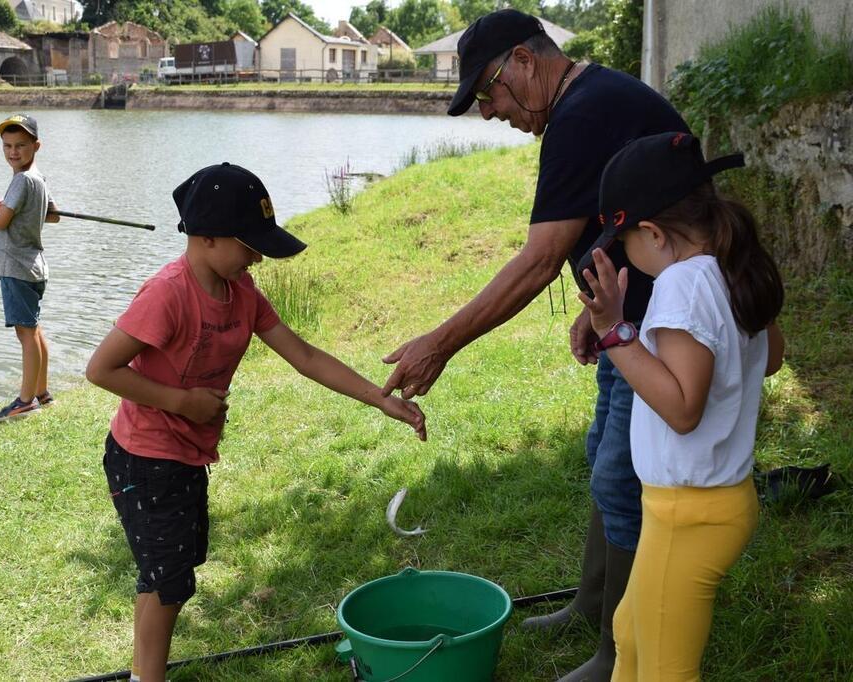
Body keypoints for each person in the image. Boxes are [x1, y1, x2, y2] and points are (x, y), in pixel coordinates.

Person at [380, 10, 689, 679]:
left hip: (669, 326)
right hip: (629, 317)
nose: (490, 112)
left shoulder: (580, 115)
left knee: (621, 478)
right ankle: (588, 605)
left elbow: (538, 259)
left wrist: (439, 343)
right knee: (603, 457)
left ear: (524, 60)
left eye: (489, 92)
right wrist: (598, 298)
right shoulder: (594, 99)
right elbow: (619, 216)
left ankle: (617, 654)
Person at [85, 162, 427, 682]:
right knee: (169, 579)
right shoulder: (168, 293)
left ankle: (144, 670)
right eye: (249, 244)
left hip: (184, 456)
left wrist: (379, 400)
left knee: (172, 570)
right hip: (145, 456)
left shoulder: (240, 292)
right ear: (206, 238)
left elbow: (305, 356)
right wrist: (183, 403)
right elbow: (100, 369)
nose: (258, 256)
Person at [577, 132, 784, 681]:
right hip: (701, 506)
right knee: (630, 632)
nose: (626, 254)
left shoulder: (681, 285)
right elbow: (771, 357)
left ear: (653, 233)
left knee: (667, 669)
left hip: (691, 511)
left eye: (624, 242)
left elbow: (683, 407)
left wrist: (614, 332)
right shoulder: (732, 267)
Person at [0, 113, 60, 422]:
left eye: (21, 146)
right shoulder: (38, 179)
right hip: (34, 267)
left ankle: (25, 401)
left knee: (26, 334)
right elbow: (52, 215)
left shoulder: (22, 179)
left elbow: (0, 222)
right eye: (7, 146)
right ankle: (42, 393)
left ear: (36, 146)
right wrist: (13, 206)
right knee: (34, 331)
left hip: (16, 266)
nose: (13, 152)